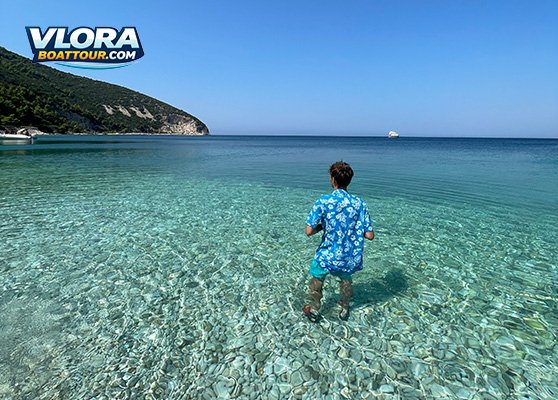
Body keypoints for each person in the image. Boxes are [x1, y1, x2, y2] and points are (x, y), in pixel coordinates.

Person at [303, 161, 374, 322]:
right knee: (346, 280)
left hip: (327, 254)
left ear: (332, 179)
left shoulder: (323, 202)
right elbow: (369, 235)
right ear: (349, 180)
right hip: (348, 257)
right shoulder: (359, 204)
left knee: (317, 279)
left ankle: (314, 308)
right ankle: (344, 308)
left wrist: (323, 226)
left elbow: (308, 231)